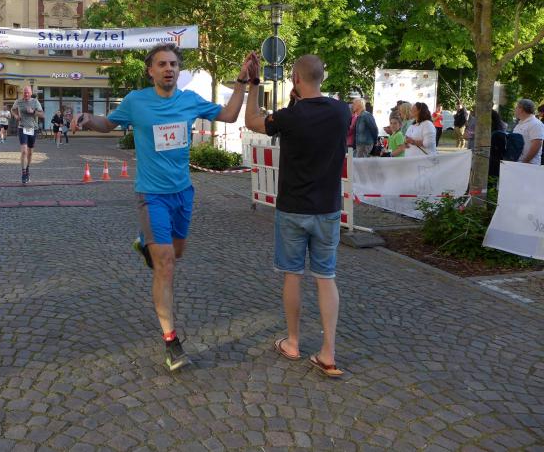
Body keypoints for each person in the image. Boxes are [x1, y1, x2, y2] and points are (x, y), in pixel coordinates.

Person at [71, 43, 257, 371]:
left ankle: (145, 243)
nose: (169, 68)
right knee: (166, 263)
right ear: (150, 70)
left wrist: (243, 82)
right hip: (151, 194)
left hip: (183, 193)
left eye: (173, 64)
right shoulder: (136, 101)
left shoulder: (189, 100)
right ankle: (171, 341)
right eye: (162, 64)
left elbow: (229, 115)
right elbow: (108, 124)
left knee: (176, 253)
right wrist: (87, 119)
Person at [244, 54, 350, 378]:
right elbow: (316, 117)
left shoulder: (290, 116)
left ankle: (292, 342)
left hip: (292, 207)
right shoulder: (342, 111)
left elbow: (252, 121)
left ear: (295, 79)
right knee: (326, 277)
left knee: (293, 276)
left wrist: (254, 84)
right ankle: (328, 352)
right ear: (322, 77)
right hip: (327, 208)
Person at [11, 86, 45, 183]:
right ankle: (24, 173)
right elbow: (13, 110)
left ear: (31, 93)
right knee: (24, 151)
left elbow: (42, 115)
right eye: (24, 92)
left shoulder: (35, 102)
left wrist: (33, 112)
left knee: (30, 153)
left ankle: (27, 168)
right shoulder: (18, 101)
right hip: (22, 128)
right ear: (23, 93)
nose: (26, 94)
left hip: (33, 129)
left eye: (27, 92)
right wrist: (16, 115)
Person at [513, 98, 544, 165]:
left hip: (529, 165)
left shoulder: (536, 124)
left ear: (521, 109)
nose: (514, 110)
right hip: (517, 163)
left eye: (516, 107)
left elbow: (537, 144)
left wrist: (524, 162)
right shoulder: (519, 124)